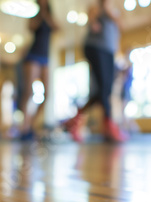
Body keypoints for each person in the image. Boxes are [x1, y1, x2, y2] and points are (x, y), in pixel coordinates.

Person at [64, 0, 126, 143]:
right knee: (104, 87)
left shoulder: (113, 11)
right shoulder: (96, 8)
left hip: (110, 51)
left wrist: (109, 11)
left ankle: (74, 121)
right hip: (96, 48)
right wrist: (101, 10)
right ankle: (109, 126)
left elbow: (121, 26)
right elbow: (91, 20)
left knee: (104, 91)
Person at [19, 0, 58, 141]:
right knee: (29, 92)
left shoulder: (50, 17)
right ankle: (24, 126)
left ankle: (31, 124)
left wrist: (45, 14)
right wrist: (40, 14)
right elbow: (30, 27)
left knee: (46, 94)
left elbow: (57, 28)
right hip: (33, 55)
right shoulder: (34, 16)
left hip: (45, 58)